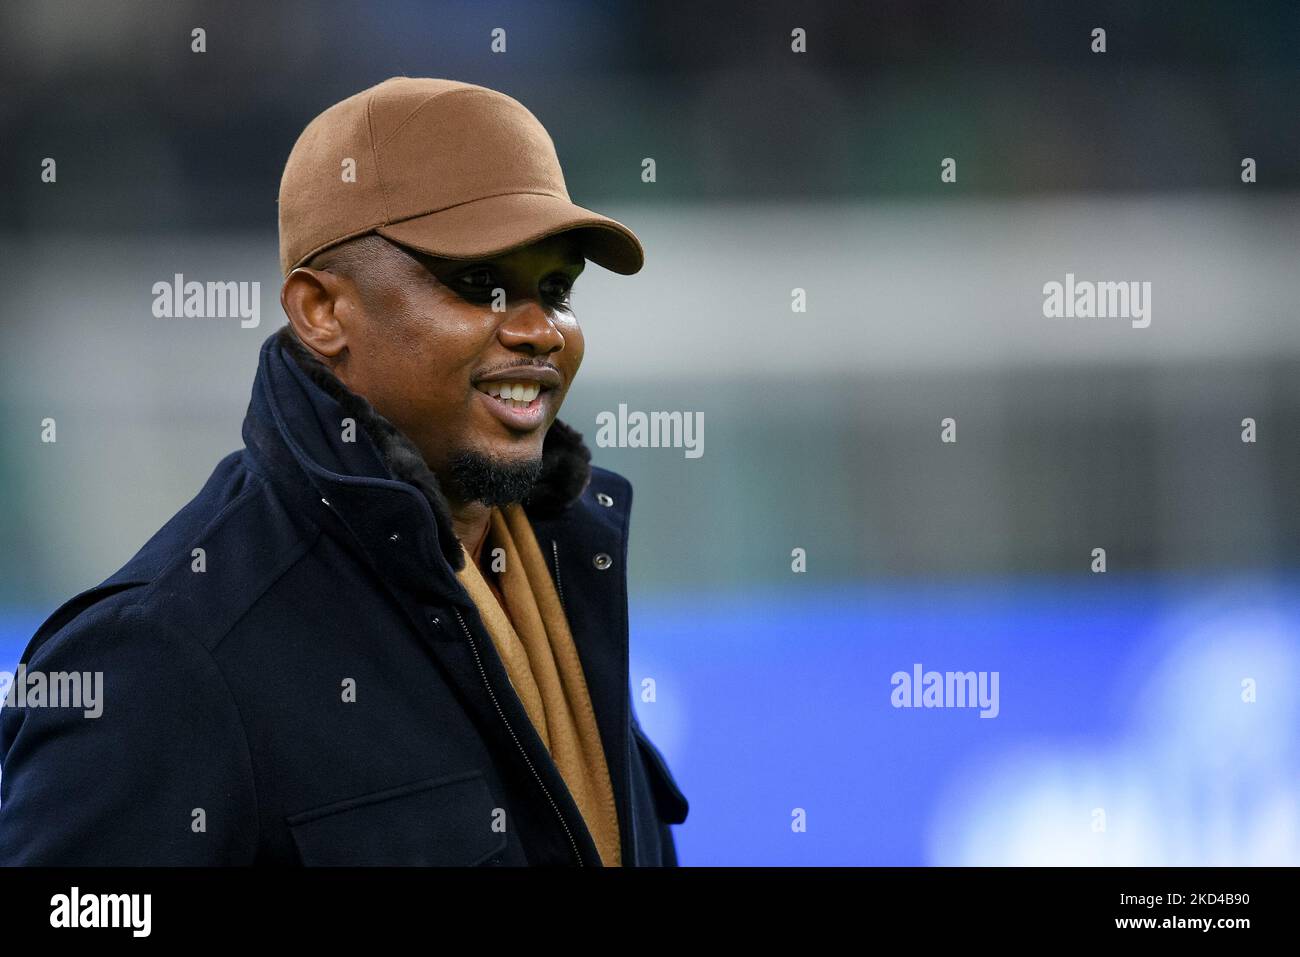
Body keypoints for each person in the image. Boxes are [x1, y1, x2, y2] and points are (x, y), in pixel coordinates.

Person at [0, 76, 688, 866]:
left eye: (557, 289)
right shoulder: (162, 653)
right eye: (479, 284)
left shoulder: (561, 578)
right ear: (321, 311)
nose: (539, 329)